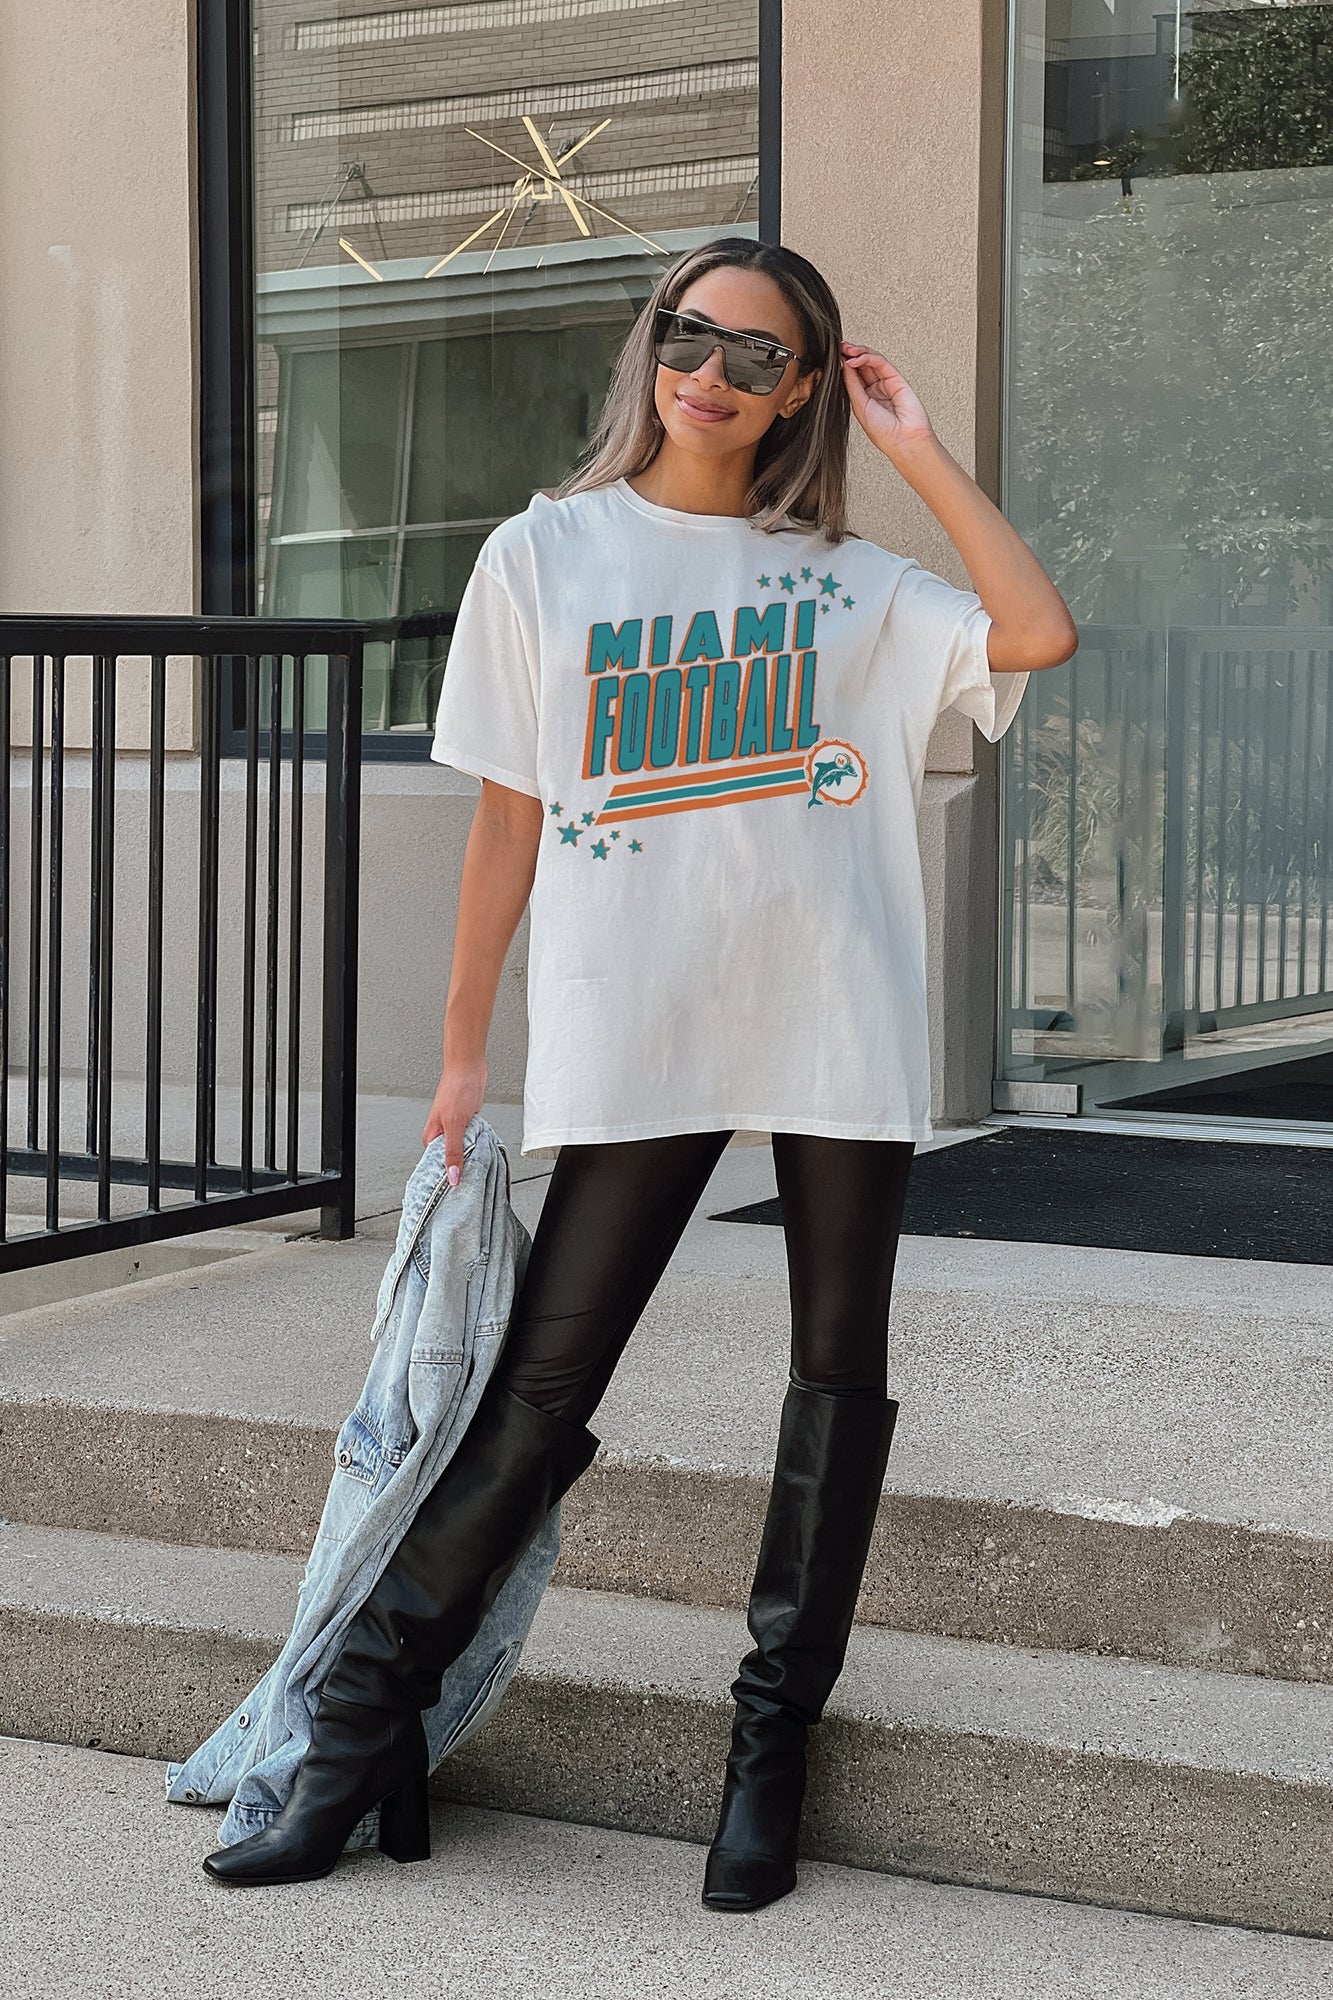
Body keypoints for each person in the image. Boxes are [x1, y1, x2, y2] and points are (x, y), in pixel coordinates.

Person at [202, 235, 1077, 1902]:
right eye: (690, 336)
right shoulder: (547, 553)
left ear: (801, 390)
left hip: (832, 1008)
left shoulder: (847, 583)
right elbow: (506, 820)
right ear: (650, 344)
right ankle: (354, 1731)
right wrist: (462, 1053)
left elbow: (1034, 631)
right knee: (542, 1389)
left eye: (758, 356)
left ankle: (770, 1750)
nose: (711, 375)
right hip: (637, 1012)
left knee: (837, 1377)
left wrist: (913, 450)